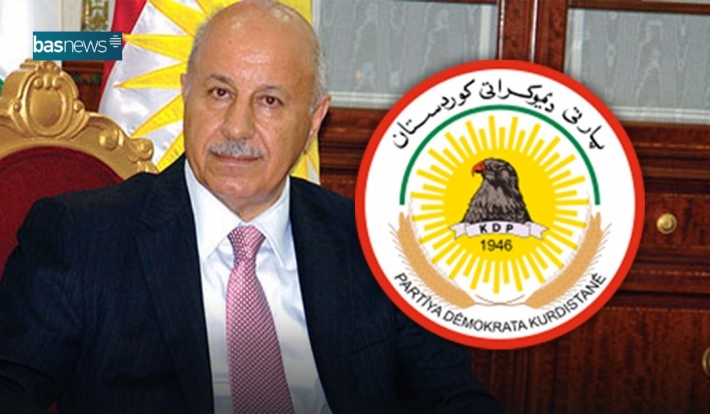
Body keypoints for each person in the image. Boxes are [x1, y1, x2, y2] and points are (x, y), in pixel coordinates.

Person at [0, 1, 504, 413]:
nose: (236, 128)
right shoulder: (80, 237)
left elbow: (454, 397)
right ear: (187, 94)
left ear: (314, 119)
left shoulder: (376, 246)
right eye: (220, 92)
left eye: (269, 101)